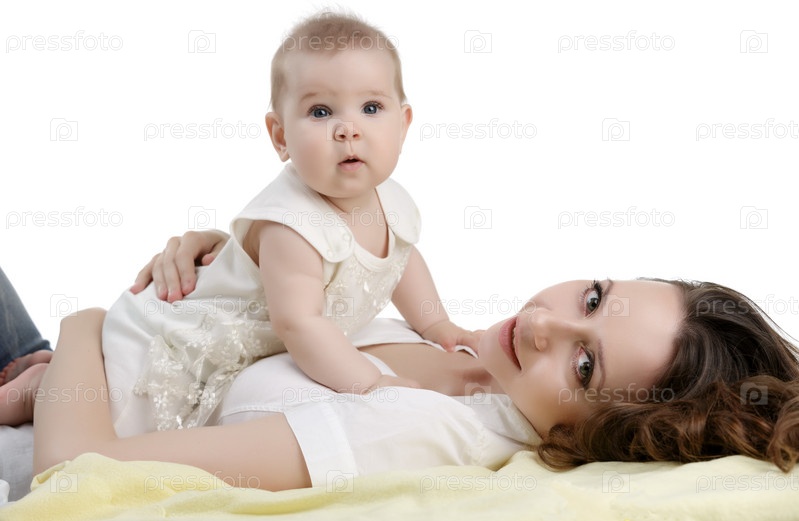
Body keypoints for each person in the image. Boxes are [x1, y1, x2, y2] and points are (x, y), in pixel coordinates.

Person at [1, 230, 799, 492]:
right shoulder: (472, 354)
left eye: (583, 365)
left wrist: (84, 325)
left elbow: (78, 465)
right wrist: (234, 259)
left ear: (601, 434)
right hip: (53, 378)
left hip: (37, 431)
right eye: (592, 297)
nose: (542, 322)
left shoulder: (420, 430)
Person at [101, 11, 478, 435]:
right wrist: (371, 384)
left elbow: (400, 260)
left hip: (239, 357)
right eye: (321, 111)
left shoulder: (392, 200)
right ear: (280, 137)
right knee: (118, 420)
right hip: (169, 344)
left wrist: (435, 324)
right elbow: (299, 323)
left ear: (403, 125)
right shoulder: (290, 223)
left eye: (371, 107)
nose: (347, 129)